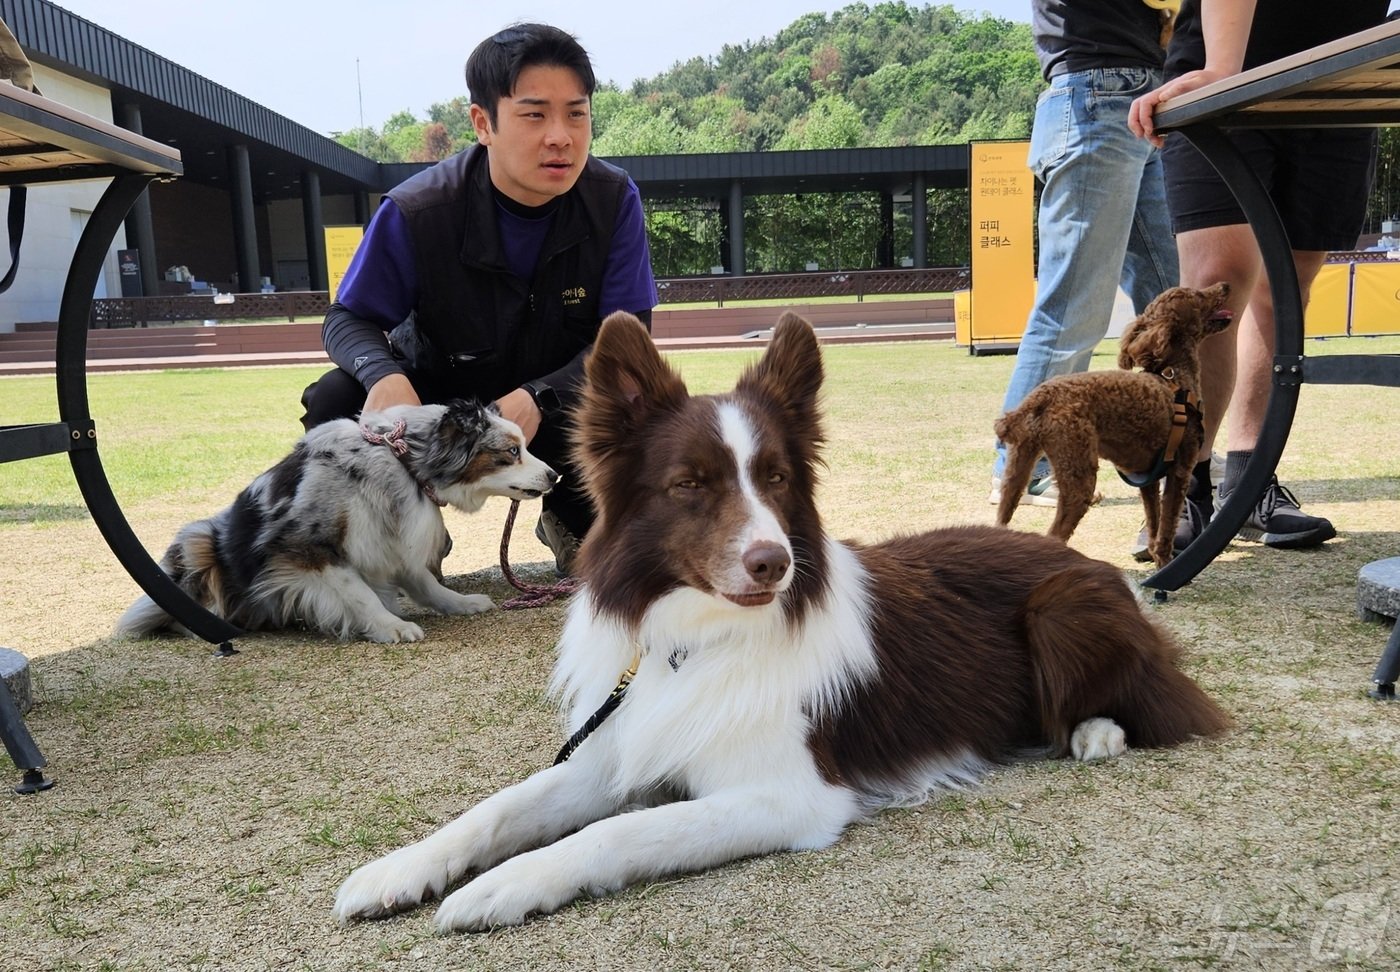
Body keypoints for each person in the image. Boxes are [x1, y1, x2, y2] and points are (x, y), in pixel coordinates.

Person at [300, 23, 658, 575]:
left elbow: (629, 339)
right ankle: (405, 530)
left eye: (577, 113)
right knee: (335, 398)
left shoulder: (613, 201)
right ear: (483, 123)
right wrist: (382, 375)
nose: (561, 136)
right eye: (535, 114)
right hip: (442, 402)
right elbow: (348, 318)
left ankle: (570, 513)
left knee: (638, 399)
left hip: (558, 402)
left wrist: (540, 396)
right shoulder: (419, 210)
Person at [1128, 0, 1388, 556]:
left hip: (1343, 75)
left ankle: (1249, 485)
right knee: (1212, 292)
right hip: (1226, 69)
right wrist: (1224, 67)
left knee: (1288, 289)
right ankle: (1186, 484)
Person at [990, 0, 1180, 509]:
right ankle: (1023, 466)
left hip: (1148, 97)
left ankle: (1184, 451)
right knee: (1072, 309)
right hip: (1097, 91)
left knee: (1172, 305)